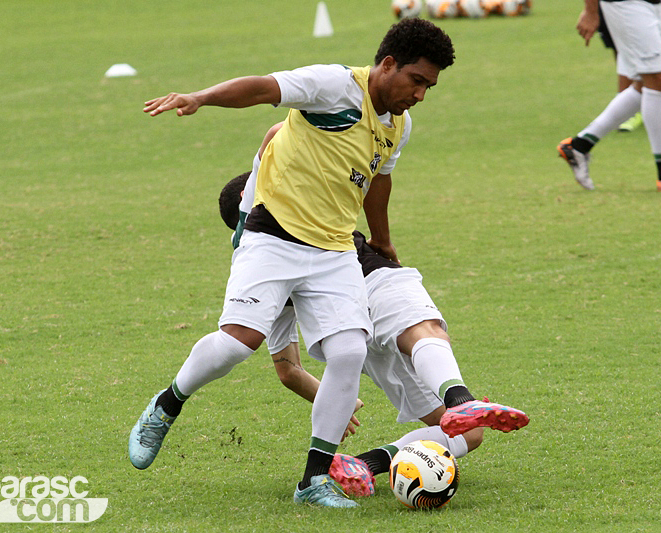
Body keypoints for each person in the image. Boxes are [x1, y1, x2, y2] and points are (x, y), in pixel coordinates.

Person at [128, 18, 456, 509]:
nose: (421, 94)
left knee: (348, 352)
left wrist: (383, 240)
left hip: (335, 250)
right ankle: (167, 403)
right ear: (387, 65)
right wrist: (199, 97)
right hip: (274, 237)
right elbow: (262, 89)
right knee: (240, 343)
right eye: (417, 80)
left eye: (430, 86)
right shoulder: (334, 86)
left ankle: (314, 480)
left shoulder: (399, 126)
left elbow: (380, 180)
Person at [219, 126, 529, 498]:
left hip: (350, 332)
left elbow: (288, 369)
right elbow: (287, 137)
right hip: (373, 280)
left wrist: (334, 396)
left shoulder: (259, 266)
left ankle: (366, 464)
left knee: (470, 434)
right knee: (424, 330)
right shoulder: (310, 211)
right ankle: (460, 399)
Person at [558, 0, 661, 192]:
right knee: (656, 78)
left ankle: (579, 146)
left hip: (652, 5)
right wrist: (590, 12)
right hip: (625, 4)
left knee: (644, 83)